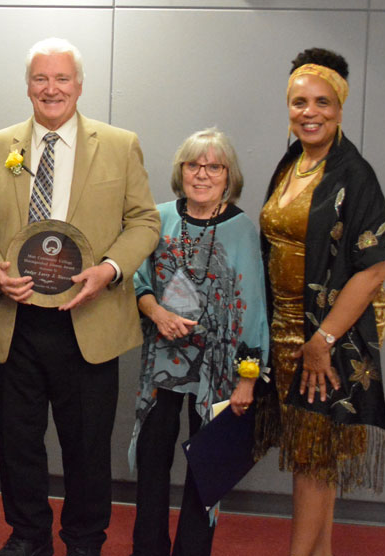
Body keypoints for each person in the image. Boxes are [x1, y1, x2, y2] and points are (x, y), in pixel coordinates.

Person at [0, 37, 159, 556]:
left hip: (89, 317)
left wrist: (111, 270)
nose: (50, 89)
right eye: (40, 79)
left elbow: (144, 220)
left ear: (79, 85)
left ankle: (83, 539)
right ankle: (28, 535)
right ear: (27, 85)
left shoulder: (120, 144)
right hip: (16, 318)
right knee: (18, 442)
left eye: (61, 79)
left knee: (87, 445)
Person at [260, 48, 385, 556]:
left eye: (322, 102)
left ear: (339, 106)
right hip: (285, 327)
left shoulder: (354, 174)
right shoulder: (293, 161)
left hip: (327, 333)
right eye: (299, 102)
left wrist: (323, 341)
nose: (309, 112)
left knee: (314, 460)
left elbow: (374, 268)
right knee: (314, 458)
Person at [128, 128, 269, 556]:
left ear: (229, 175)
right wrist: (156, 312)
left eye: (214, 166)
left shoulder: (242, 229)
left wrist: (249, 379)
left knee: (204, 469)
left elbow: (253, 310)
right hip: (161, 363)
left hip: (220, 370)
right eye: (193, 164)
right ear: (181, 171)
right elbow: (137, 278)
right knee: (152, 463)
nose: (202, 174)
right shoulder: (159, 217)